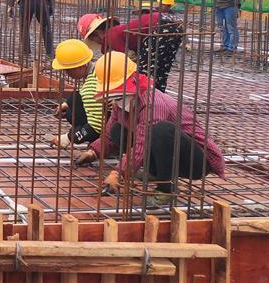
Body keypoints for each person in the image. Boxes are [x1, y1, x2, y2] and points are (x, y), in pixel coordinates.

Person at [74, 53, 225, 206]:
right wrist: (93, 152)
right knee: (116, 130)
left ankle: (166, 189)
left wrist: (118, 173)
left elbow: (142, 144)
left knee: (161, 130)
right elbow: (108, 134)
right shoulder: (121, 101)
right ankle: (154, 172)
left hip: (196, 160)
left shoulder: (151, 103)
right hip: (169, 152)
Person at [78, 11, 183, 92]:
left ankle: (147, 102)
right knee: (161, 70)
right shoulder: (118, 32)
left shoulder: (110, 36)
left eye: (93, 40)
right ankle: (159, 98)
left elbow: (129, 58)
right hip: (175, 24)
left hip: (160, 26)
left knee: (142, 73)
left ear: (96, 34)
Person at [48, 39, 103, 149]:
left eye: (68, 70)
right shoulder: (98, 68)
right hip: (121, 118)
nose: (66, 74)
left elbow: (96, 126)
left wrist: (69, 138)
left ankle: (101, 143)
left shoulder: (91, 86)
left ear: (81, 66)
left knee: (74, 102)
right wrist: (66, 104)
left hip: (117, 129)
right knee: (71, 107)